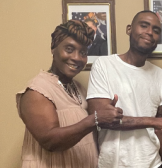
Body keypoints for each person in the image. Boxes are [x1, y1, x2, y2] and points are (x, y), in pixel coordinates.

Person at [16, 20, 123, 168]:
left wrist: (106, 117)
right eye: (69, 49)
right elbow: (50, 141)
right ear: (53, 48)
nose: (77, 57)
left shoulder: (78, 88)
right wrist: (96, 119)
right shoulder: (37, 91)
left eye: (83, 53)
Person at [87, 10, 162, 168]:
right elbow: (100, 119)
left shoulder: (159, 75)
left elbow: (160, 129)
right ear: (129, 29)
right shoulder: (104, 65)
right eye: (144, 26)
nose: (149, 32)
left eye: (156, 30)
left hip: (152, 163)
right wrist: (152, 121)